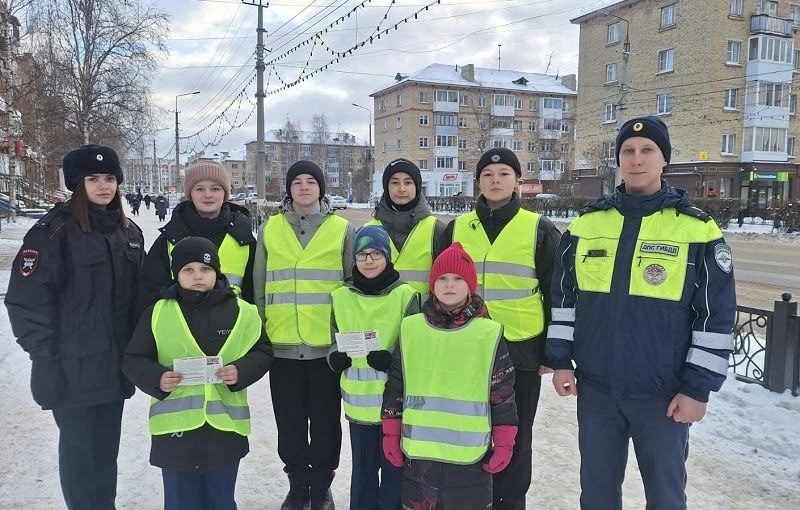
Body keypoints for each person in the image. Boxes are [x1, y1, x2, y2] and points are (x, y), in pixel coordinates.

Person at [546, 116, 736, 509]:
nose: (637, 159)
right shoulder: (587, 224)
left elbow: (714, 317)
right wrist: (561, 362)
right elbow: (564, 300)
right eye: (628, 151)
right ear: (618, 159)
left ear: (664, 159)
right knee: (597, 494)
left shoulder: (697, 229)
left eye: (648, 150)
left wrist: (697, 388)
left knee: (665, 496)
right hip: (597, 389)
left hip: (663, 393)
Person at [5, 144, 144, 509]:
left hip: (114, 369)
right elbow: (26, 301)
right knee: (80, 458)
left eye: (110, 178)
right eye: (93, 178)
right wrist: (45, 360)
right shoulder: (53, 232)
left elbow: (140, 300)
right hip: (71, 370)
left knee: (105, 455)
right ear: (77, 184)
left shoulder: (129, 233)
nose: (104, 186)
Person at [443, 147, 561, 509]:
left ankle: (511, 500)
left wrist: (552, 351)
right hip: (466, 346)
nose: (495, 180)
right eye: (488, 174)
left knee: (517, 432)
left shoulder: (539, 229)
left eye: (504, 174)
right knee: (469, 426)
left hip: (521, 348)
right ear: (478, 181)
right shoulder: (456, 228)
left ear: (517, 181)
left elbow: (556, 291)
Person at [123, 237, 272, 510]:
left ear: (217, 271)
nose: (198, 276)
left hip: (224, 429)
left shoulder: (243, 311)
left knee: (220, 501)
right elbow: (133, 359)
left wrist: (241, 371)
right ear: (176, 274)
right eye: (188, 270)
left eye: (205, 269)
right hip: (175, 433)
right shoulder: (158, 312)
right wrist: (157, 378)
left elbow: (262, 351)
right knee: (181, 502)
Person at [381, 242, 517, 510]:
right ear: (432, 284)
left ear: (470, 286)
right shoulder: (411, 328)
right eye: (442, 278)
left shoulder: (487, 333)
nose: (449, 285)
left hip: (471, 460)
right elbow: (396, 385)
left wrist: (505, 441)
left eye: (458, 278)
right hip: (419, 458)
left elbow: (502, 393)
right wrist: (390, 433)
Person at [253, 160, 356, 510]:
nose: (304, 187)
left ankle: (321, 486)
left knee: (326, 422)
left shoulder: (342, 229)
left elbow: (351, 286)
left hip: (325, 347)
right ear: (289, 189)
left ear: (321, 188)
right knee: (290, 422)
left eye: (311, 181)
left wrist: (344, 338)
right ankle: (297, 484)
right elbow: (259, 285)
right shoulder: (270, 229)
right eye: (297, 181)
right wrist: (262, 332)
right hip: (282, 345)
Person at [327, 225, 421, 510]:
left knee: (394, 474)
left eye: (376, 254)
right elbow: (333, 338)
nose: (368, 260)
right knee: (363, 474)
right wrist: (334, 357)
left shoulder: (406, 295)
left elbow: (415, 347)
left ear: (388, 257)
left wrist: (391, 358)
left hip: (394, 405)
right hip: (358, 406)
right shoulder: (341, 296)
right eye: (362, 254)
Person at [138, 161, 256, 312]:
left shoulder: (243, 238)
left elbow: (255, 293)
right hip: (180, 324)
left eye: (215, 188)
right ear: (190, 194)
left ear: (225, 193)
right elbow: (149, 293)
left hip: (234, 325)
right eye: (199, 189)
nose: (208, 195)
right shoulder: (172, 237)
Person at [365, 159, 446, 296]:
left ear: (417, 187)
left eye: (408, 183)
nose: (401, 189)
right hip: (378, 309)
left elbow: (446, 281)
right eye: (395, 183)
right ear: (386, 187)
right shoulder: (368, 230)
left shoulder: (436, 229)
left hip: (421, 309)